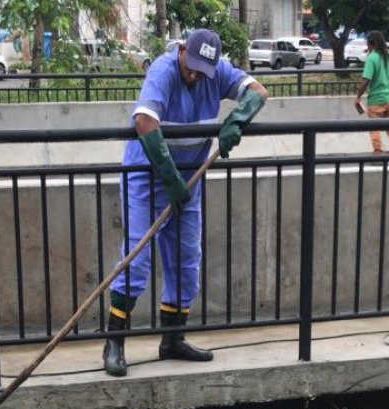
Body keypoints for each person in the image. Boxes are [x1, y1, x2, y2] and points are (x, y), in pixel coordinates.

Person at [103, 29, 269, 377]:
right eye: (190, 66)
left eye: (201, 71)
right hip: (148, 176)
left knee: (186, 260)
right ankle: (114, 341)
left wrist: (237, 120)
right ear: (181, 51)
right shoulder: (163, 71)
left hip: (188, 179)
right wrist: (169, 177)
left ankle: (172, 339)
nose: (194, 75)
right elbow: (145, 121)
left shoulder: (216, 70)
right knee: (137, 258)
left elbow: (258, 91)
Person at [352, 31, 389, 154]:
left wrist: (358, 96)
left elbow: (366, 80)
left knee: (374, 128)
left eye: (367, 44)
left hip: (375, 100)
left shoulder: (372, 58)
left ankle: (378, 152)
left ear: (371, 44)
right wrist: (387, 76)